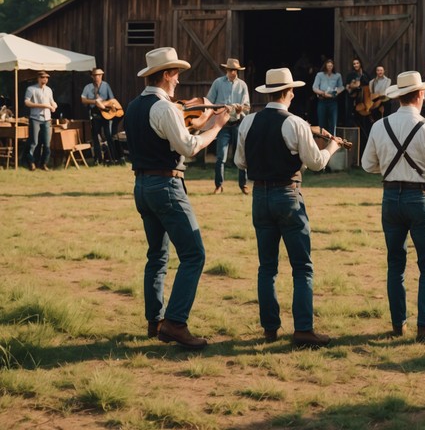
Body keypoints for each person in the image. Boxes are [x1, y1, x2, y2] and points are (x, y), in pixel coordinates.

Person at [124, 47, 229, 349]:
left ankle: (154, 321)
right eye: (177, 75)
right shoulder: (165, 107)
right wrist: (217, 127)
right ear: (168, 75)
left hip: (142, 186)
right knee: (194, 254)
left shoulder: (134, 106)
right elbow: (189, 147)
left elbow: (166, 135)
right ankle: (175, 323)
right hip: (166, 185)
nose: (179, 81)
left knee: (157, 256)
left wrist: (197, 123)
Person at [235, 67, 342, 347]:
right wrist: (332, 148)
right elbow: (317, 162)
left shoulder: (248, 122)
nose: (294, 93)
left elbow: (239, 162)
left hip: (260, 196)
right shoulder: (295, 123)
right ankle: (303, 329)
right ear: (288, 92)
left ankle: (270, 329)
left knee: (267, 267)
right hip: (287, 194)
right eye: (293, 90)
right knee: (302, 266)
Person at [361, 71, 425, 340]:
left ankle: (398, 324)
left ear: (398, 97)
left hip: (390, 197)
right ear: (421, 94)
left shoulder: (380, 126)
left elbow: (368, 165)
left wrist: (391, 165)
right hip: (419, 197)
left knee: (395, 264)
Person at [207, 58, 251, 194]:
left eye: (236, 70)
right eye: (231, 70)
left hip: (237, 124)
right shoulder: (218, 83)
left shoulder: (242, 85)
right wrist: (221, 108)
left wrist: (240, 109)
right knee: (221, 157)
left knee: (241, 155)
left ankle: (243, 185)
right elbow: (209, 102)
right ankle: (218, 186)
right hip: (223, 125)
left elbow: (247, 107)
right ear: (226, 70)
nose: (233, 72)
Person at [81, 68, 122, 164]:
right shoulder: (88, 87)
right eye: (95, 75)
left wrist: (103, 104)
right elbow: (83, 100)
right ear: (92, 76)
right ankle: (97, 159)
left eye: (99, 75)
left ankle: (112, 158)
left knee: (108, 135)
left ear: (101, 76)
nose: (97, 77)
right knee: (95, 136)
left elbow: (112, 100)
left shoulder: (106, 85)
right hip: (94, 114)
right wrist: (95, 102)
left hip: (105, 113)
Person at [24, 71, 57, 171]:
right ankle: (31, 162)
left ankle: (43, 164)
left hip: (47, 118)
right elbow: (27, 102)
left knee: (47, 144)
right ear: (38, 78)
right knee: (34, 142)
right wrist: (42, 105)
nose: (45, 79)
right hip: (35, 118)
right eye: (43, 77)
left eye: (46, 78)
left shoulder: (49, 90)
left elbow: (51, 101)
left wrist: (54, 105)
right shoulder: (31, 89)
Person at [312, 58, 344, 135]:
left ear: (333, 66)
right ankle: (321, 140)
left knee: (333, 123)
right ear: (325, 66)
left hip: (333, 101)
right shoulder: (320, 75)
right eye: (328, 65)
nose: (329, 67)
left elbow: (342, 87)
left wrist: (337, 92)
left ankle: (332, 140)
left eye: (331, 66)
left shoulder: (337, 75)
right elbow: (314, 87)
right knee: (322, 122)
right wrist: (323, 93)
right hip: (322, 100)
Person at [344, 57, 370, 134]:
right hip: (352, 99)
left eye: (357, 63)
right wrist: (353, 86)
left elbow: (368, 85)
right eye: (354, 64)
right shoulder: (350, 74)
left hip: (363, 99)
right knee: (351, 117)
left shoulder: (365, 74)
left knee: (364, 119)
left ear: (360, 64)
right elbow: (347, 86)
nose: (356, 65)